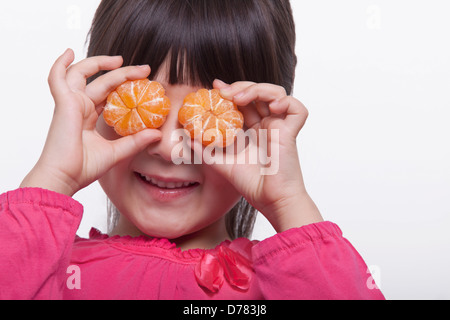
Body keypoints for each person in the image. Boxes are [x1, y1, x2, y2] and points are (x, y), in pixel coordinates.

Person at [0, 0, 384, 300]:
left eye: (214, 114)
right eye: (139, 104)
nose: (169, 148)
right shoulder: (48, 270)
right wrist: (52, 179)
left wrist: (289, 203)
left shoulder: (282, 284)